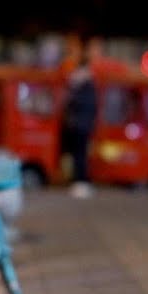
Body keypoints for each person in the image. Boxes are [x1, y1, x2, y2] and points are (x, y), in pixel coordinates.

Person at [61, 60, 98, 197]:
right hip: (78, 127)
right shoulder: (83, 87)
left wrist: (73, 86)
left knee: (80, 156)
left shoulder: (87, 88)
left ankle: (82, 183)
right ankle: (79, 182)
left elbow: (76, 104)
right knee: (77, 156)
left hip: (82, 127)